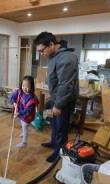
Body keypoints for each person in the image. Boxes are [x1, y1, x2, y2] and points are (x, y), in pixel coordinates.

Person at [34, 32, 79, 162]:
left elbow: (65, 84)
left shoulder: (66, 58)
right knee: (55, 123)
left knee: (61, 127)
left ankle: (59, 152)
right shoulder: (54, 55)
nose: (42, 54)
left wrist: (58, 105)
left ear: (51, 44)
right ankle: (54, 143)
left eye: (42, 50)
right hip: (58, 97)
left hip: (64, 100)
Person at [11, 75, 39, 148]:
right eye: (23, 85)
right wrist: (13, 102)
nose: (25, 88)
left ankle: (24, 142)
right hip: (21, 113)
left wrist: (19, 113)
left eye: (27, 86)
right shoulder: (20, 91)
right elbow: (13, 96)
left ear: (31, 87)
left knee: (25, 126)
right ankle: (23, 132)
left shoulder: (32, 98)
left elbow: (29, 110)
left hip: (27, 115)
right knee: (21, 122)